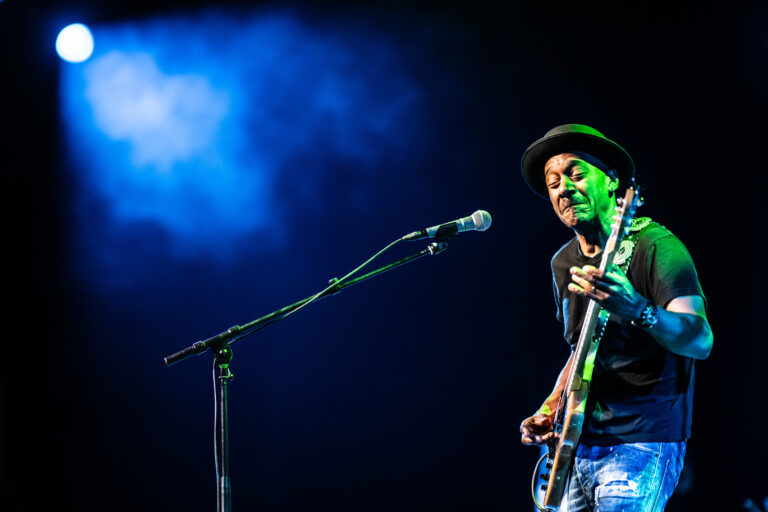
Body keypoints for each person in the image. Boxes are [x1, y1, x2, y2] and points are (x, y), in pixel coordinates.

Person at [518, 124, 713, 511]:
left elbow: (700, 340)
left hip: (640, 441)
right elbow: (582, 350)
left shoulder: (656, 246)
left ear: (611, 182)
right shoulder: (562, 262)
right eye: (553, 182)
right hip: (576, 443)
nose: (563, 188)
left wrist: (638, 309)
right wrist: (551, 407)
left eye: (575, 174)